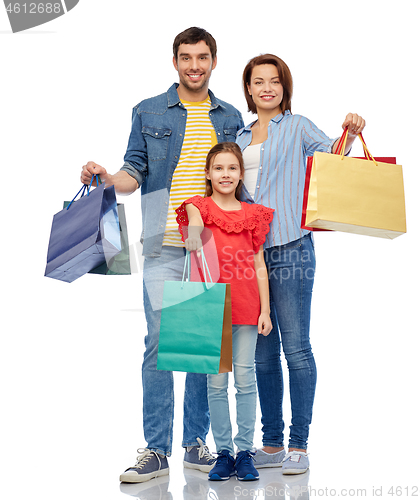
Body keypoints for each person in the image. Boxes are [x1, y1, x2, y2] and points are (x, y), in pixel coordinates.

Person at [80, 27, 244, 483]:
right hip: (163, 242)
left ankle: (195, 444)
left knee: (199, 347)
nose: (195, 65)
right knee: (158, 344)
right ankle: (156, 450)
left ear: (214, 62)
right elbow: (134, 170)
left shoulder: (230, 116)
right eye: (186, 57)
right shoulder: (148, 110)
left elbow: (241, 174)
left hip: (211, 245)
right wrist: (106, 178)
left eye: (203, 57)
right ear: (175, 62)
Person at [236, 54, 366, 475]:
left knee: (296, 347)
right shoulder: (237, 136)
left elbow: (332, 152)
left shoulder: (297, 126)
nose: (267, 88)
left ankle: (299, 444)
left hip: (290, 245)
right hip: (249, 254)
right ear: (249, 89)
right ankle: (271, 444)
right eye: (259, 82)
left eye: (274, 81)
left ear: (283, 87)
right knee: (263, 351)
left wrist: (350, 129)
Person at [176, 142, 274, 481]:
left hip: (247, 306)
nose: (226, 174)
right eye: (218, 168)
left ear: (241, 174)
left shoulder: (253, 214)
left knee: (245, 379)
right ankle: (224, 453)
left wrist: (266, 310)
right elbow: (191, 214)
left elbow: (259, 264)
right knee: (216, 384)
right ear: (208, 173)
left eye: (232, 168)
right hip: (209, 308)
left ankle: (245, 451)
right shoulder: (199, 207)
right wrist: (193, 225)